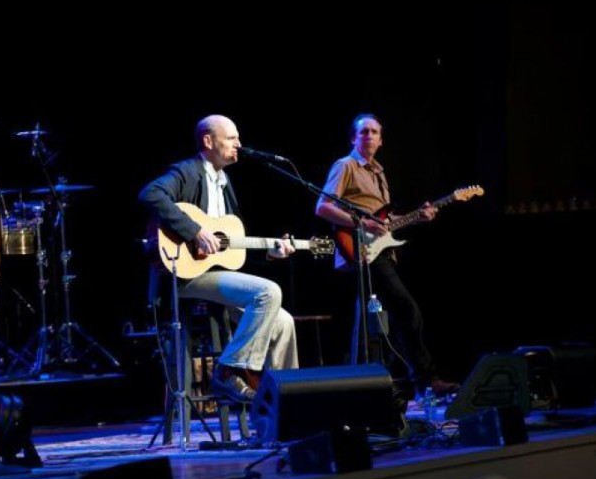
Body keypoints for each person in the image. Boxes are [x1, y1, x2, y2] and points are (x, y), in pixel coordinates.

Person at [139, 114, 299, 404]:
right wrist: (195, 231)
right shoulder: (188, 171)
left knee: (283, 321)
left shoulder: (226, 184)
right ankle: (228, 372)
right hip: (185, 276)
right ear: (208, 141)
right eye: (231, 138)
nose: (239, 144)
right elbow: (151, 194)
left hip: (213, 275)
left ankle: (285, 405)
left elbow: (231, 252)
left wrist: (270, 254)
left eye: (238, 138)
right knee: (268, 292)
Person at [315, 112, 458, 397]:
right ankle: (425, 381)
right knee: (407, 310)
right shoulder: (345, 166)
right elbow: (322, 207)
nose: (368, 136)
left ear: (381, 140)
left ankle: (401, 388)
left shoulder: (379, 173)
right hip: (360, 250)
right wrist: (362, 223)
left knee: (390, 323)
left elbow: (386, 221)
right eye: (363, 132)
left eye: (373, 132)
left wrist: (420, 216)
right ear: (353, 138)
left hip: (381, 251)